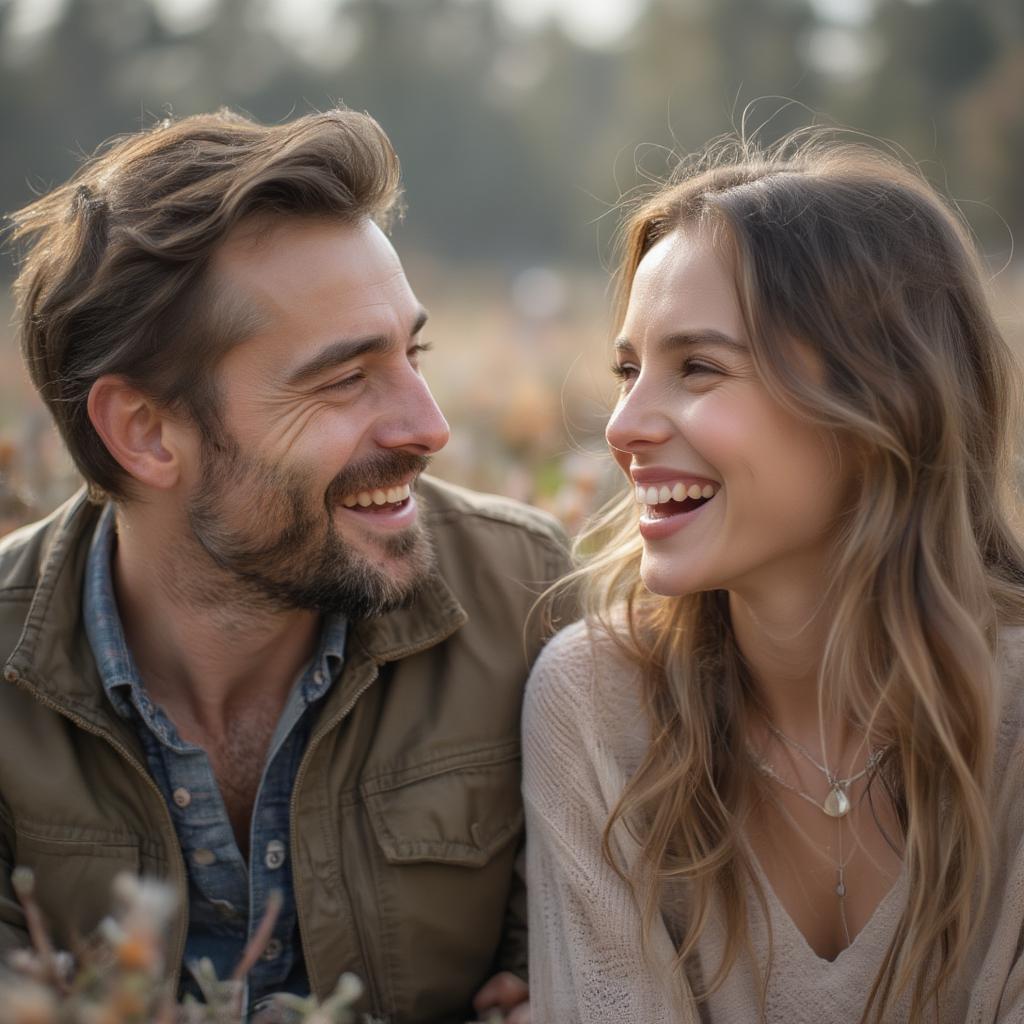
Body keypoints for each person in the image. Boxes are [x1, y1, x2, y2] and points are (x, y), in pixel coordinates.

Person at [0, 108, 568, 1023]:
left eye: (412, 353)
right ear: (145, 432)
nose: (429, 426)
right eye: (346, 379)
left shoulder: (531, 604)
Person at [523, 134, 1024, 1023]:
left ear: (880, 401)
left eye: (699, 368)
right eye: (629, 370)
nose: (625, 426)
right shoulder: (598, 705)